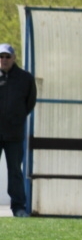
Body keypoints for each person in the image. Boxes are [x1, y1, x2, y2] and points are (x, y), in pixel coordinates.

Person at [0, 43, 37, 218]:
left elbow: (29, 103)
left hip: (14, 134)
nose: (4, 60)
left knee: (15, 170)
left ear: (14, 58)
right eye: (1, 56)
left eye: (7, 56)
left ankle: (18, 207)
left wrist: (17, 117)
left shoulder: (25, 78)